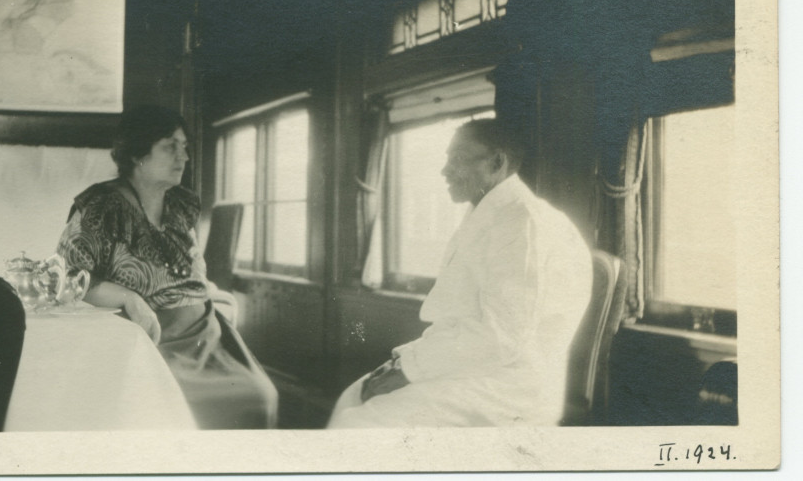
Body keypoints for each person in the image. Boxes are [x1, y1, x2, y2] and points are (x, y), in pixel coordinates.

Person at [327, 117, 592, 428]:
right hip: (477, 365)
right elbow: (463, 324)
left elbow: (501, 339)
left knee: (362, 423)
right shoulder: (491, 213)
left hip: (510, 384)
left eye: (459, 159)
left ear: (497, 162)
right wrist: (404, 362)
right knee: (354, 396)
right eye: (447, 159)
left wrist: (410, 369)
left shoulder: (522, 223)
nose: (445, 170)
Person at [56, 105, 278, 430]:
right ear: (136, 153)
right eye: (169, 146)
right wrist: (129, 298)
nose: (183, 157)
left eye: (184, 147)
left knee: (260, 396)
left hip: (207, 335)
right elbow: (67, 280)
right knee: (170, 408)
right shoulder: (100, 207)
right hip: (151, 341)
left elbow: (193, 272)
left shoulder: (181, 205)